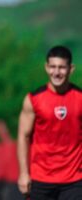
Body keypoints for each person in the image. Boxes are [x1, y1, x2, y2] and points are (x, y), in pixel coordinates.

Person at [17, 45, 82, 200]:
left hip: (74, 180)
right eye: (52, 67)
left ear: (71, 69)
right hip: (41, 179)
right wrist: (24, 174)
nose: (56, 72)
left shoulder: (80, 98)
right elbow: (23, 136)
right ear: (46, 67)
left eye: (61, 67)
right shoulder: (33, 99)